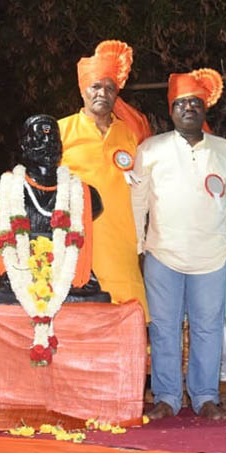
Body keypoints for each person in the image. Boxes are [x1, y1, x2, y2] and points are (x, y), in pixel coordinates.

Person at [132, 69, 226, 420]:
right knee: (164, 328)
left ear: (205, 109)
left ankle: (206, 396)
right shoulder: (150, 149)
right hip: (163, 254)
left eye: (195, 102)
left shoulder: (224, 150)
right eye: (181, 103)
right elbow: (138, 204)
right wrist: (139, 249)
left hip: (213, 255)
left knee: (209, 328)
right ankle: (166, 397)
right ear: (171, 110)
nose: (189, 108)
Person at [58, 40, 150, 317]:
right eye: (96, 86)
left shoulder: (131, 135)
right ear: (82, 89)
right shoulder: (61, 131)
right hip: (77, 249)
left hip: (123, 247)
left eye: (110, 88)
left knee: (128, 326)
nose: (103, 93)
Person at [0, 115, 107, 306]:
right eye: (39, 137)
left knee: (93, 297)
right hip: (20, 273)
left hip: (71, 277)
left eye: (53, 138)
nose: (48, 143)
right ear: (24, 146)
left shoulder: (84, 194)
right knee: (5, 296)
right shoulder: (1, 193)